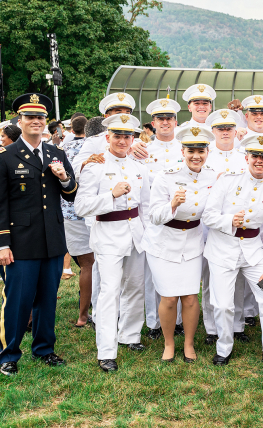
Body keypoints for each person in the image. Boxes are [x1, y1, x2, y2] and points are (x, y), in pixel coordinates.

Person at [0, 93, 77, 377]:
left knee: (47, 298)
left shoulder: (57, 153)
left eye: (40, 118)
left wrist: (64, 178)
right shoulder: (4, 156)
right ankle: (9, 355)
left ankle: (44, 349)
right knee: (18, 299)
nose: (35, 121)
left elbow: (71, 194)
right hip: (20, 242)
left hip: (52, 239)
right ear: (20, 121)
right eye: (29, 117)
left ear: (45, 124)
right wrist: (1, 243)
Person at [202, 134, 263, 369]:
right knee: (222, 305)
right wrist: (230, 220)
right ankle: (224, 347)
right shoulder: (227, 181)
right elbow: (208, 216)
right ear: (247, 157)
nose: (259, 160)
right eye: (255, 156)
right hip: (222, 251)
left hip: (253, 255)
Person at [74, 114, 150, 373]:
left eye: (127, 136)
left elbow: (146, 205)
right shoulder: (95, 166)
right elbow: (81, 206)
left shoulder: (139, 166)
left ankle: (129, 335)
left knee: (136, 287)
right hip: (108, 233)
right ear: (107, 137)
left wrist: (148, 233)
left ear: (133, 139)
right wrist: (111, 194)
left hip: (135, 233)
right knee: (109, 293)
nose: (122, 140)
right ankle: (106, 351)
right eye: (117, 135)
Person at [144, 126, 215, 363]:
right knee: (169, 297)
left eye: (201, 151)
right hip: (164, 242)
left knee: (190, 297)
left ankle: (188, 343)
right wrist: (172, 205)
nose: (196, 156)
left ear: (207, 152)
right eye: (191, 150)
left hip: (193, 242)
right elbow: (153, 215)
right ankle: (168, 343)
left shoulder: (213, 176)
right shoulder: (167, 176)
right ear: (182, 151)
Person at [200, 109, 249, 346]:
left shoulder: (244, 156)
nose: (225, 132)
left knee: (237, 279)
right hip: (211, 227)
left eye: (229, 128)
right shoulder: (205, 156)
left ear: (236, 130)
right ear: (213, 132)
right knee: (212, 280)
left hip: (239, 226)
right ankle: (212, 327)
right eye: (220, 128)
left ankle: (237, 325)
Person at [142, 96, 184, 340]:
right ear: (153, 123)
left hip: (180, 220)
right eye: (160, 119)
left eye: (169, 118)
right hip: (153, 219)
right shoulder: (143, 150)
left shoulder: (186, 147)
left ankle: (177, 320)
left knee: (178, 271)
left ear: (176, 122)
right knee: (153, 276)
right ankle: (153, 323)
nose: (165, 122)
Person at [61, 115, 95, 328]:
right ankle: (84, 315)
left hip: (68, 212)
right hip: (90, 213)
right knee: (90, 266)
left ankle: (83, 314)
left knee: (85, 266)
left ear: (72, 129)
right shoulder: (97, 150)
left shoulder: (61, 150)